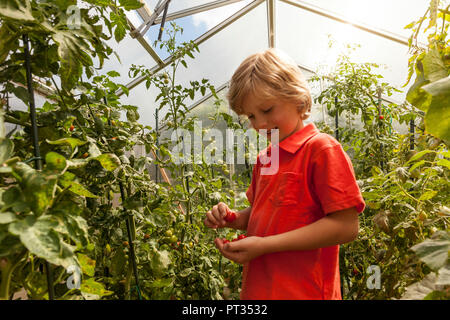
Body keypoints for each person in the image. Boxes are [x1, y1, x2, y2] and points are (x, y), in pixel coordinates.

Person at [204, 48, 365, 300]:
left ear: (299, 100)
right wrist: (232, 218)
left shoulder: (321, 149)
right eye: (250, 116)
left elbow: (346, 226)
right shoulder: (267, 158)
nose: (258, 124)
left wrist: (265, 245)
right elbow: (263, 214)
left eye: (267, 110)